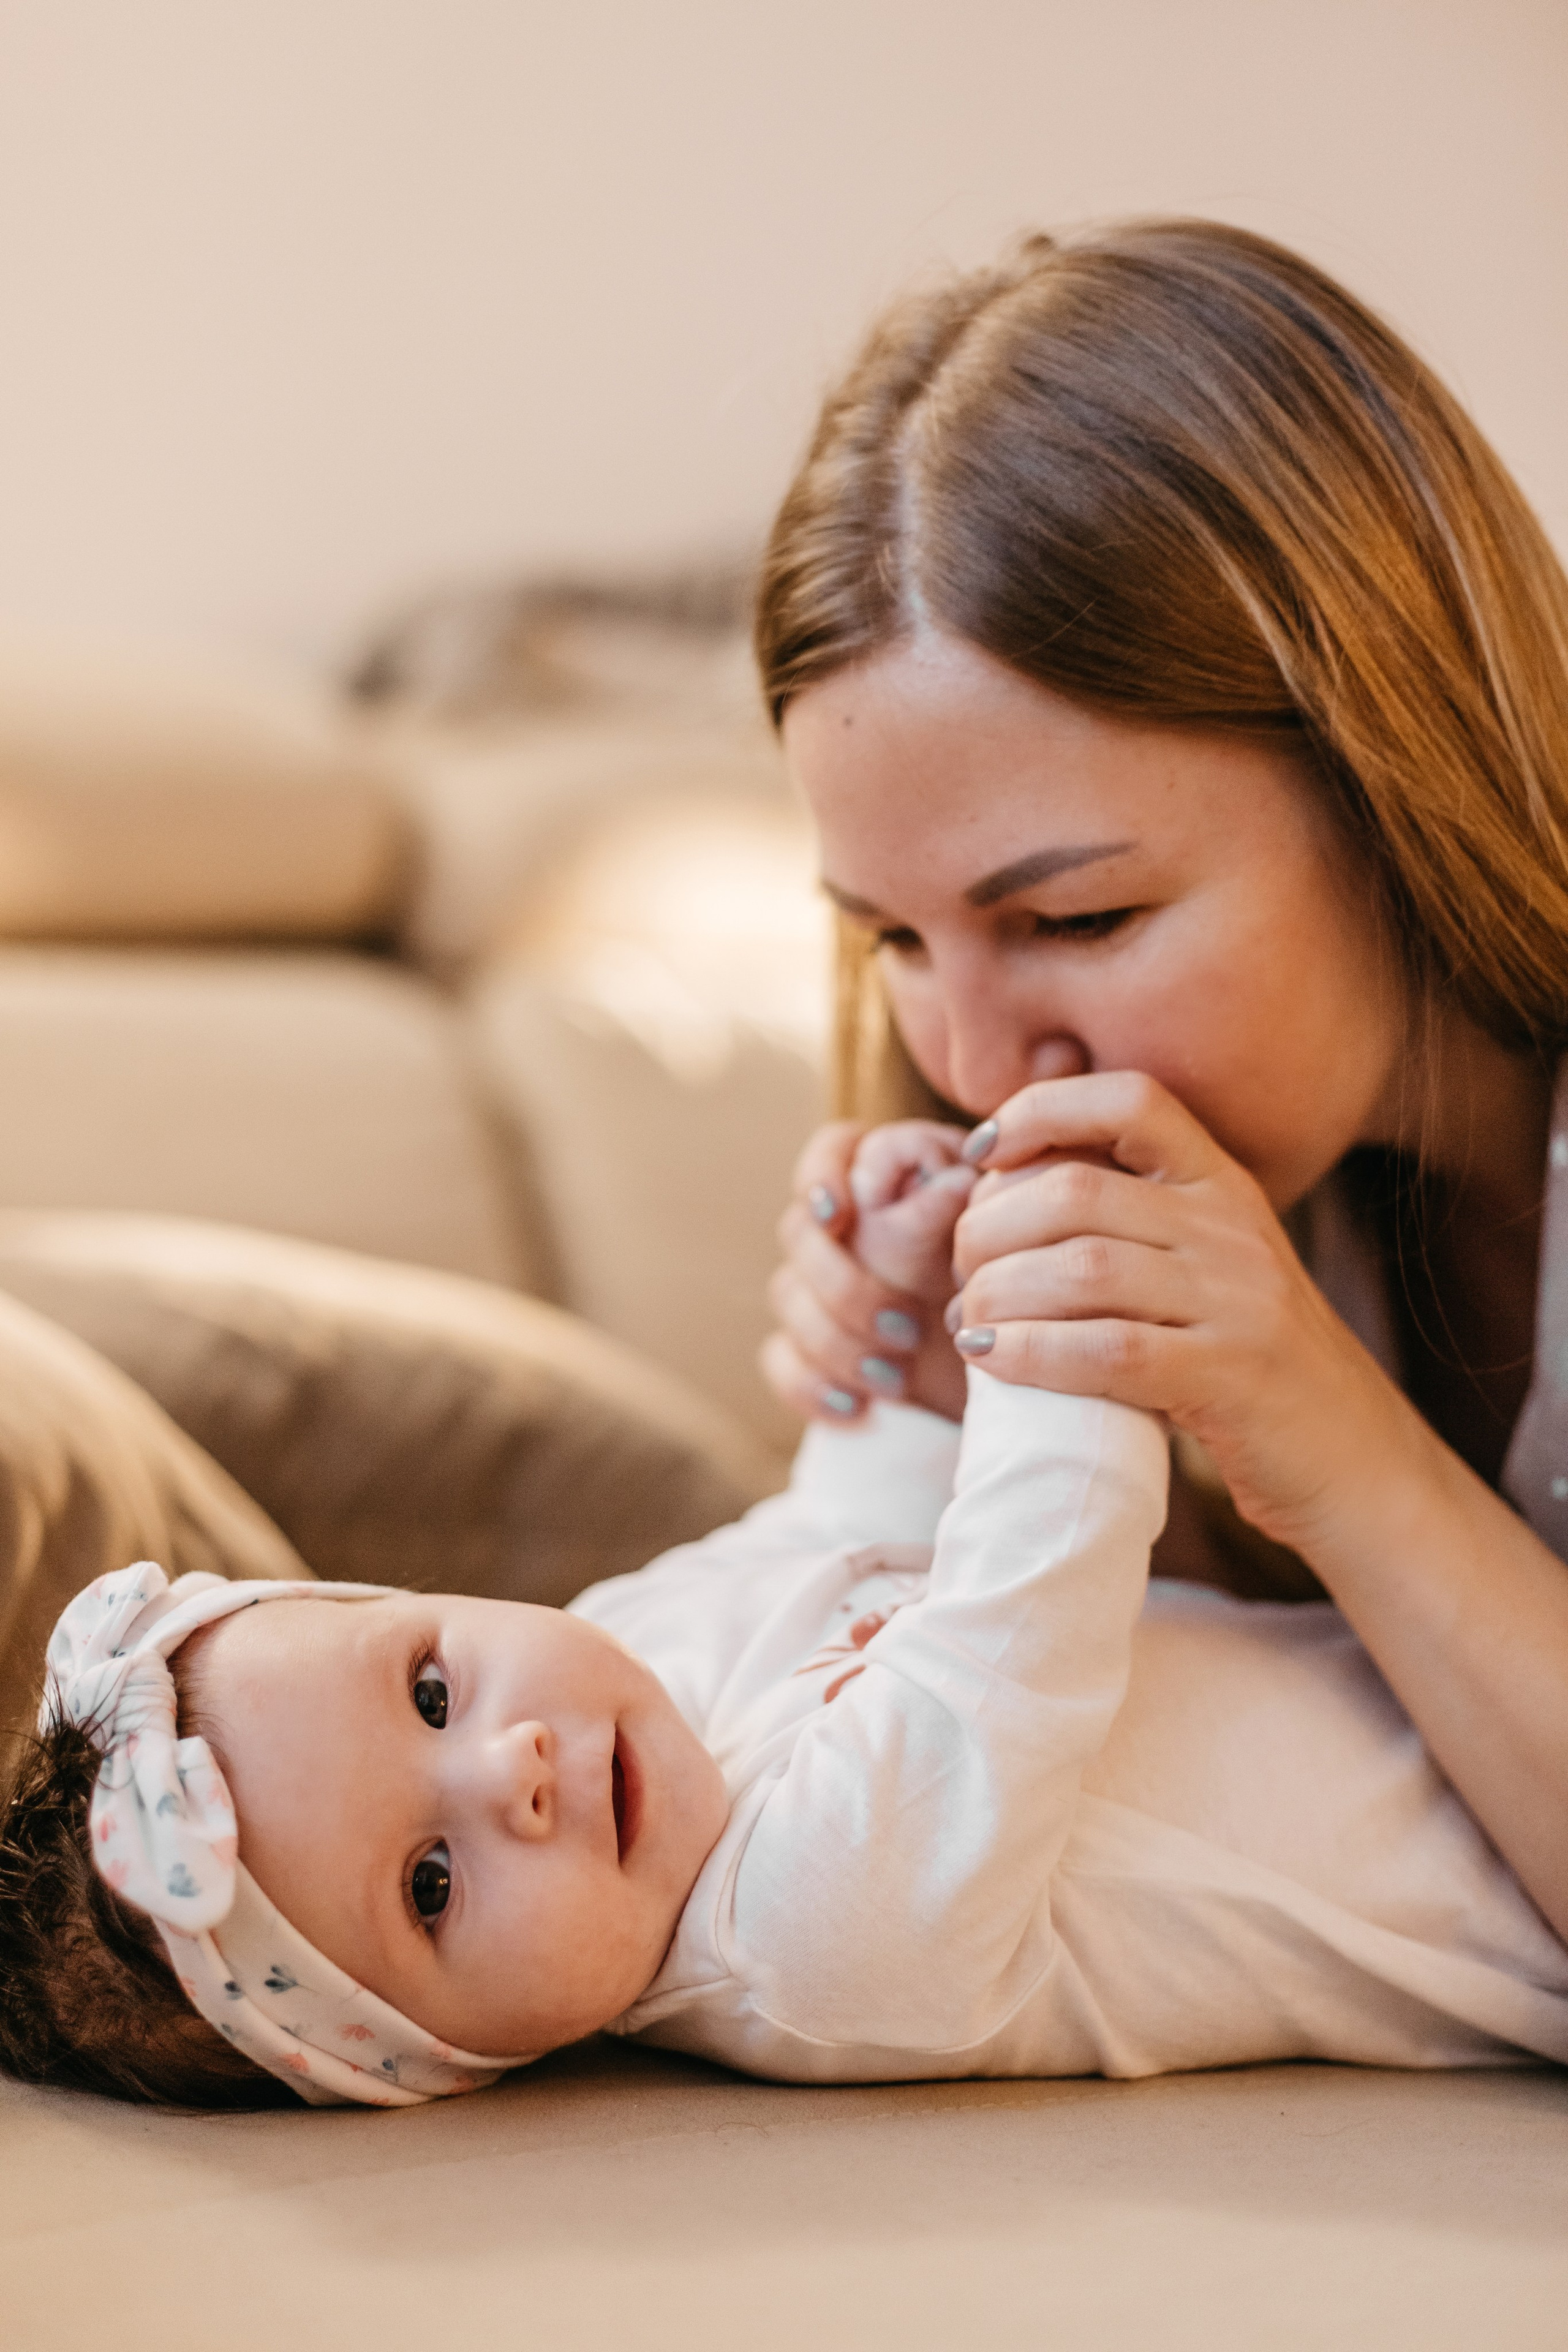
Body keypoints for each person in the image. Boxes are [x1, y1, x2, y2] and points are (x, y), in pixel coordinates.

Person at [3, 1119, 1566, 2109]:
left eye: (426, 1689)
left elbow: (841, 1530)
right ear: (439, 2066)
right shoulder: (806, 1941)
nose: (509, 1771)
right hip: (1526, 1881)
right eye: (428, 1884)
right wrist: (1047, 1292)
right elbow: (1033, 1585)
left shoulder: (632, 1652)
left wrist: (902, 1308)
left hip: (1474, 1658)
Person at [753, 217, 1568, 1954]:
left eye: (1076, 915)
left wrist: (1332, 1441)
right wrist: (992, 1442)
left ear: (1395, 772)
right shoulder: (1276, 1164)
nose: (974, 1067)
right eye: (893, 935)